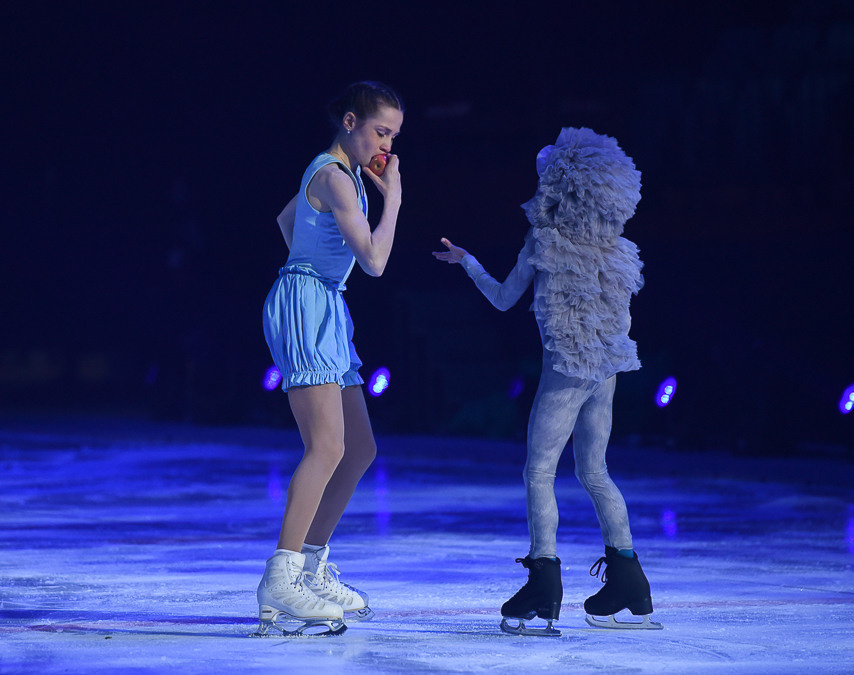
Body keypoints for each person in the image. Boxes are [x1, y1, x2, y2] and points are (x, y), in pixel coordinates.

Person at [433, 127, 660, 635]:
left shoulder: (544, 238)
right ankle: (631, 583)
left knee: (539, 472)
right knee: (594, 471)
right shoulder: (618, 246)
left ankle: (544, 583)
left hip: (566, 368)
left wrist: (467, 262)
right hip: (605, 368)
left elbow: (503, 298)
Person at [254, 81, 403, 637]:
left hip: (324, 306)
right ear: (350, 122)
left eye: (393, 135)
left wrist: (310, 264)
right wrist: (394, 203)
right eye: (380, 131)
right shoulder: (338, 178)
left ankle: (311, 567)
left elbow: (288, 221)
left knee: (359, 448)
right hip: (307, 305)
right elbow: (374, 261)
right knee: (328, 446)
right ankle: (281, 577)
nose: (386, 144)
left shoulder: (330, 176)